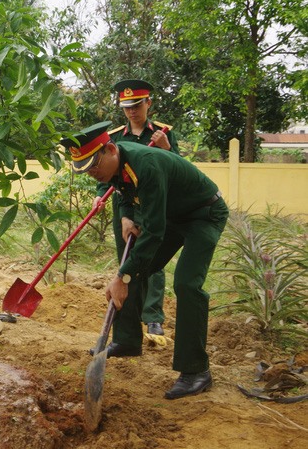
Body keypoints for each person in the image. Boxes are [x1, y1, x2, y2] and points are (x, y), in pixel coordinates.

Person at [61, 121, 229, 399]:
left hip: (204, 214)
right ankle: (127, 340)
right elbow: (123, 189)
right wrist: (126, 215)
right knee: (136, 269)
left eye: (93, 167)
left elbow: (153, 232)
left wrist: (122, 277)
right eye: (86, 170)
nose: (92, 174)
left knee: (187, 284)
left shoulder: (147, 164)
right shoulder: (117, 164)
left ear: (111, 149)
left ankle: (196, 371)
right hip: (173, 214)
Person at [93, 79, 180, 337]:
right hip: (125, 206)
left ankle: (153, 316)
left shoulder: (163, 133)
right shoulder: (116, 136)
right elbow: (105, 172)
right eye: (127, 106)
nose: (132, 111)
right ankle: (127, 327)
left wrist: (167, 147)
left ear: (148, 103)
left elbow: (177, 167)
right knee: (127, 262)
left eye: (137, 105)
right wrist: (100, 196)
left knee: (152, 259)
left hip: (154, 204)